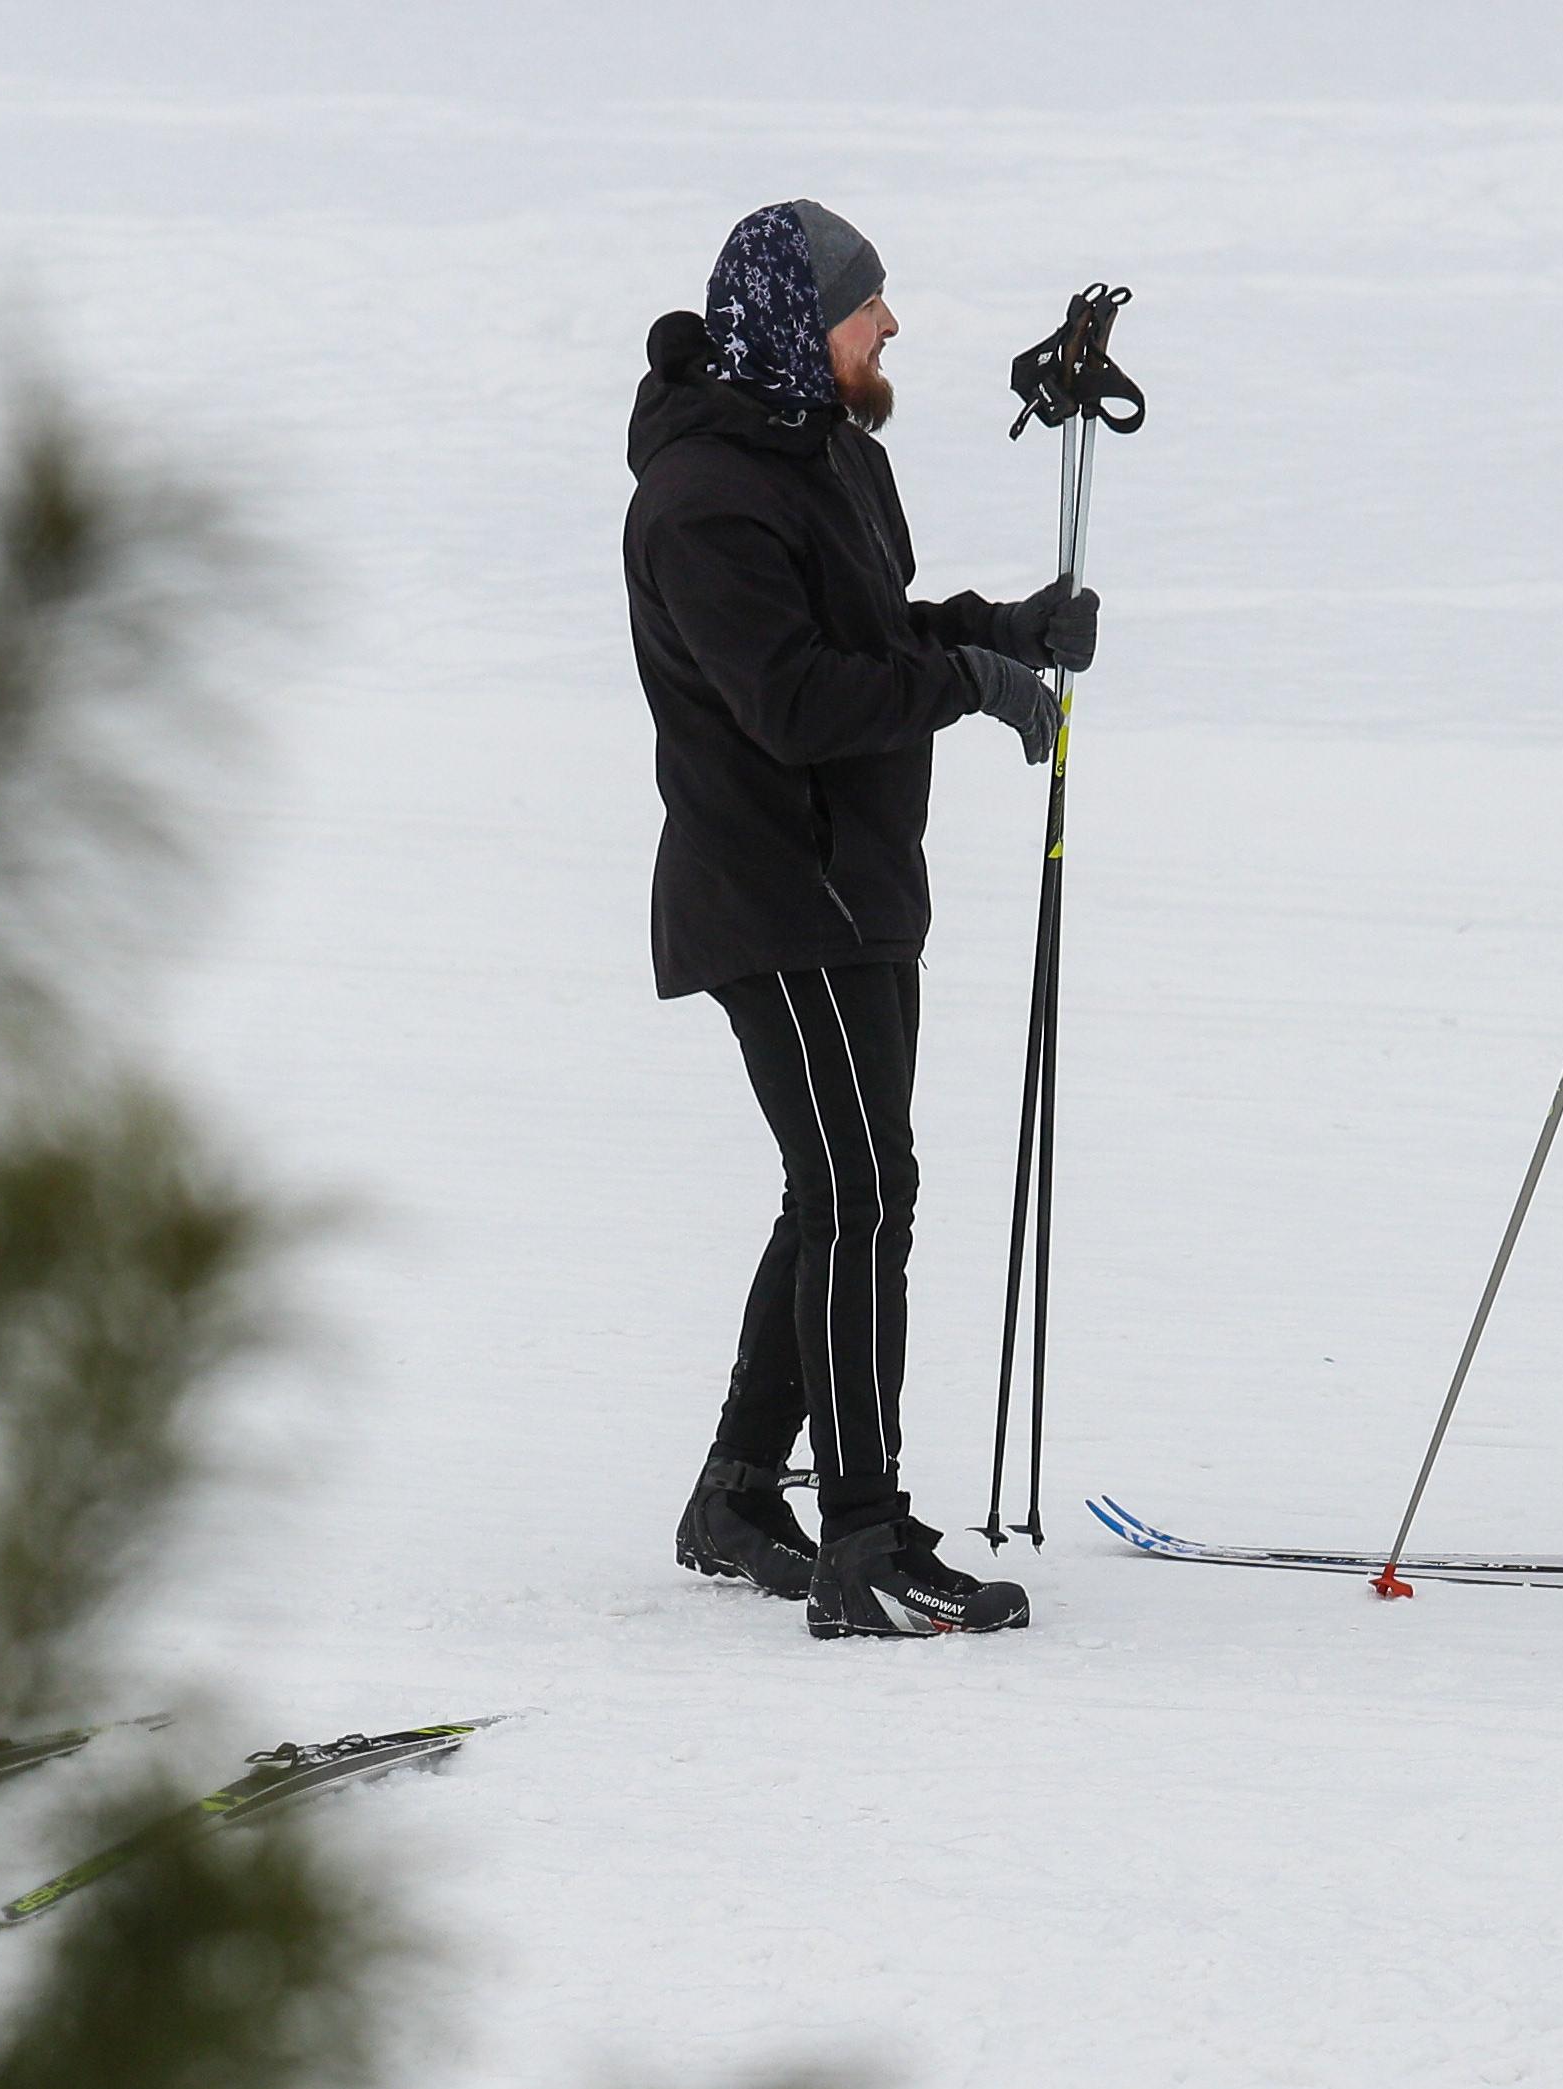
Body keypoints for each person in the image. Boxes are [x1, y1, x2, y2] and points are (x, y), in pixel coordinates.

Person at [622, 199, 1090, 1638]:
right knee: (862, 1192)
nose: (887, 326)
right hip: (774, 892)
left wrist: (996, 630)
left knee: (841, 1188)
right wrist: (970, 687)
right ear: (791, 324)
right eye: (861, 306)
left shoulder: (834, 450)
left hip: (860, 883)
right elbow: (793, 701)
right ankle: (863, 1536)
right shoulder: (703, 498)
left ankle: (737, 1493)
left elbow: (872, 637)